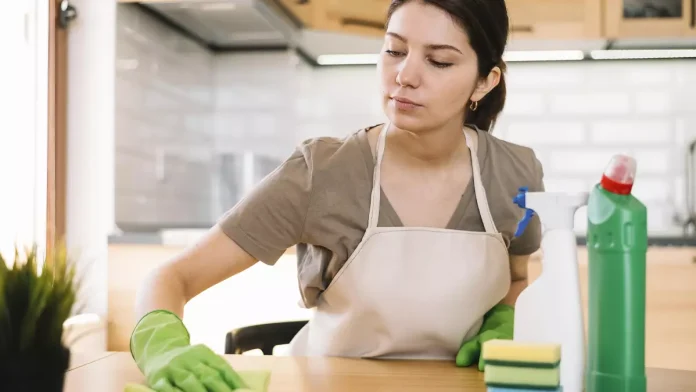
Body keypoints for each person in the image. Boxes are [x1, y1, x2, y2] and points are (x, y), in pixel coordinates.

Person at [128, 0, 545, 390]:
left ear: (485, 81)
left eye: (438, 61)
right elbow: (171, 277)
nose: (405, 76)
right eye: (395, 51)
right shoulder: (322, 171)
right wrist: (162, 346)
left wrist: (505, 317)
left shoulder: (515, 173)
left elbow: (518, 275)